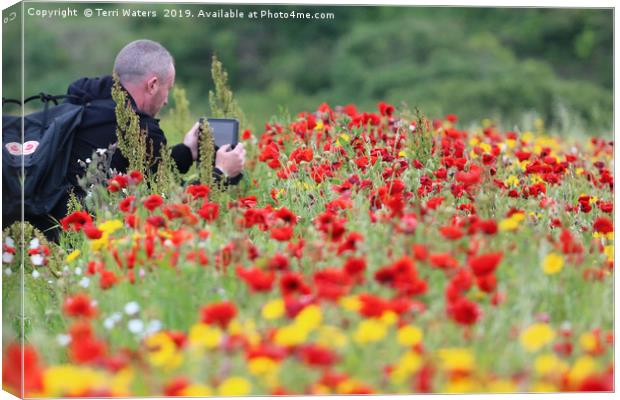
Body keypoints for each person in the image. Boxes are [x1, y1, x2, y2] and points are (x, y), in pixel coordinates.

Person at [42, 39, 246, 239]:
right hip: (87, 240)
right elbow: (173, 202)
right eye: (169, 89)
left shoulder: (82, 105)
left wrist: (186, 151)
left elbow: (140, 169)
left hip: (48, 225)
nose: (166, 100)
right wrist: (222, 172)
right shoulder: (141, 129)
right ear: (153, 85)